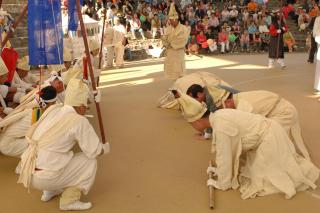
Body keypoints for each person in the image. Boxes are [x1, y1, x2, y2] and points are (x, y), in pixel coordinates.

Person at [178, 94, 319, 199]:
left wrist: (222, 182)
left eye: (192, 125)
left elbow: (225, 156)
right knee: (262, 170)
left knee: (266, 179)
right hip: (269, 131)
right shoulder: (219, 115)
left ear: (197, 122)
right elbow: (228, 153)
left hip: (270, 138)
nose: (194, 128)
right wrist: (217, 170)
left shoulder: (220, 126)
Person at [18, 79, 110, 210]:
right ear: (80, 107)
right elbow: (93, 151)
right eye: (86, 106)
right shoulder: (78, 120)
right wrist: (104, 148)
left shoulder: (54, 110)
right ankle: (69, 201)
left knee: (56, 154)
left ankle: (49, 191)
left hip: (28, 170)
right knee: (89, 161)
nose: (86, 110)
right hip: (45, 177)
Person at [0, 86, 57, 157]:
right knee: (46, 144)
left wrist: (4, 110)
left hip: (8, 138)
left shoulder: (34, 104)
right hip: (8, 145)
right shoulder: (36, 115)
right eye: (54, 103)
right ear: (49, 104)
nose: (55, 104)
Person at [161, 3, 190, 80]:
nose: (169, 22)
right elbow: (164, 38)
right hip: (170, 53)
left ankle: (179, 87)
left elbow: (183, 40)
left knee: (180, 72)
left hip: (178, 53)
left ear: (175, 19)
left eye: (170, 20)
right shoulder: (168, 28)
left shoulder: (183, 28)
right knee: (172, 72)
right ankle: (175, 87)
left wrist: (171, 44)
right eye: (169, 20)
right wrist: (165, 43)